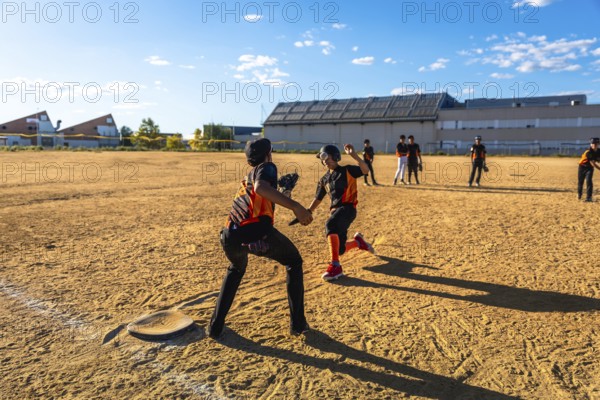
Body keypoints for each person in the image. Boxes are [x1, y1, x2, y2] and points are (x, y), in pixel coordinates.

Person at [208, 138, 313, 339]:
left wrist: (286, 193)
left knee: (236, 269)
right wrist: (296, 206)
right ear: (269, 153)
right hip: (256, 234)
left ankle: (215, 327)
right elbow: (261, 188)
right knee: (293, 261)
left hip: (230, 236)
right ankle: (298, 325)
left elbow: (262, 200)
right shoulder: (267, 166)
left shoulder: (249, 175)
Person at [307, 144, 375, 281]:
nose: (324, 160)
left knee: (330, 226)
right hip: (335, 212)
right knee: (340, 250)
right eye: (322, 158)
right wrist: (308, 211)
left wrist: (354, 155)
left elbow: (365, 170)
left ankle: (335, 267)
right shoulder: (324, 179)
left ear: (335, 156)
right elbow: (318, 198)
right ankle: (358, 242)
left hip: (348, 209)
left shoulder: (347, 170)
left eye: (326, 156)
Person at [578, 137, 600, 202]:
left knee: (589, 181)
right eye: (593, 143)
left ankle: (588, 197)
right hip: (582, 167)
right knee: (580, 182)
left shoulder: (599, 151)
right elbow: (593, 163)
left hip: (590, 168)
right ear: (590, 144)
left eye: (596, 143)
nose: (594, 145)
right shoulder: (588, 152)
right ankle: (579, 194)